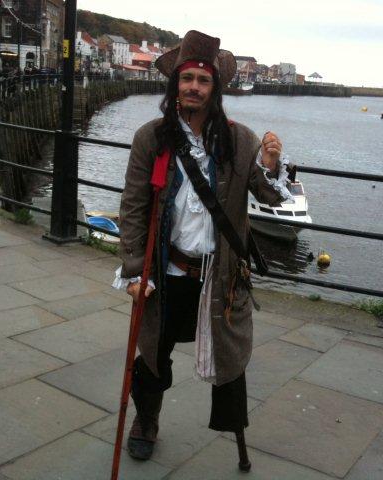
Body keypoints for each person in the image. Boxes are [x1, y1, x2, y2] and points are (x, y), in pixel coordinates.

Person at [114, 30, 292, 461]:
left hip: (221, 277)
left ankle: (236, 435)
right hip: (166, 273)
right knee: (153, 355)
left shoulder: (240, 140)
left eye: (203, 80)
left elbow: (269, 195)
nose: (193, 86)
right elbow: (134, 208)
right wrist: (135, 272)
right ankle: (147, 419)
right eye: (187, 78)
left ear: (215, 90)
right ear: (175, 84)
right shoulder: (151, 138)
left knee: (231, 362)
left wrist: (271, 165)